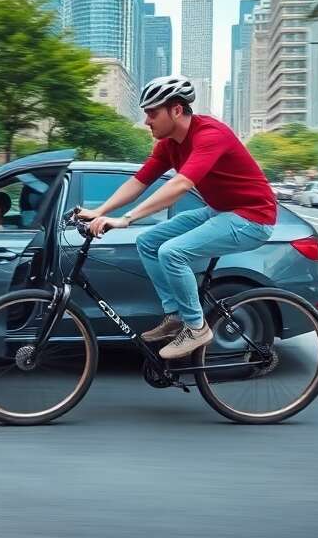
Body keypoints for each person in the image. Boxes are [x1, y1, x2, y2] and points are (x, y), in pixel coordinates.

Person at [78, 75, 278, 360]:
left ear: (176, 110)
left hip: (253, 217)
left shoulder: (210, 134)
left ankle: (196, 328)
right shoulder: (169, 144)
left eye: (152, 113)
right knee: (148, 242)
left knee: (173, 252)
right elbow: (139, 181)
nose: (147, 121)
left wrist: (127, 219)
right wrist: (100, 211)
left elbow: (180, 185)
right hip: (220, 211)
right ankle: (175, 316)